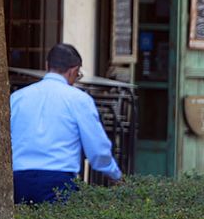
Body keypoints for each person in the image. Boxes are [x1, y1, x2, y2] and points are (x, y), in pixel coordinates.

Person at [10, 43, 122, 204]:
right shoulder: (79, 100)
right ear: (73, 71)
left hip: (18, 177)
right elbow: (97, 150)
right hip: (58, 178)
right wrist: (114, 174)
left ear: (47, 65)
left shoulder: (17, 97)